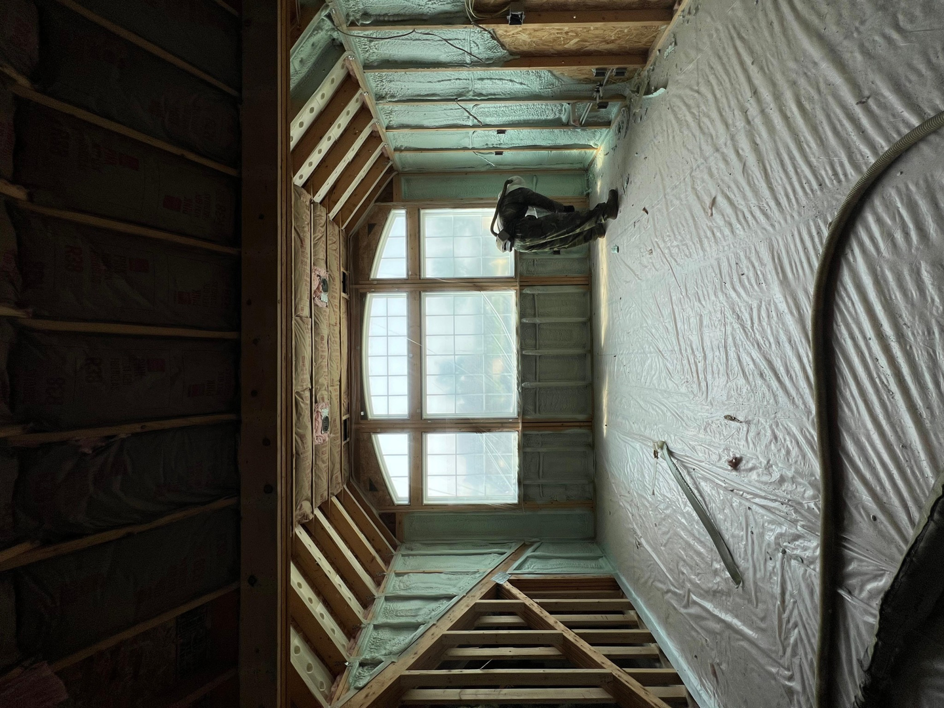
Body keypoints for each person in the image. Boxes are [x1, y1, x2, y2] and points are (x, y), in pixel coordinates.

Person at [491, 176, 619, 253]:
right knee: (567, 224)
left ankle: (596, 232)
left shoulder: (503, 210)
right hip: (520, 232)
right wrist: (561, 209)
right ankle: (608, 210)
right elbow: (542, 202)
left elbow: (530, 215)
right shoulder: (516, 193)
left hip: (518, 246)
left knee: (560, 241)